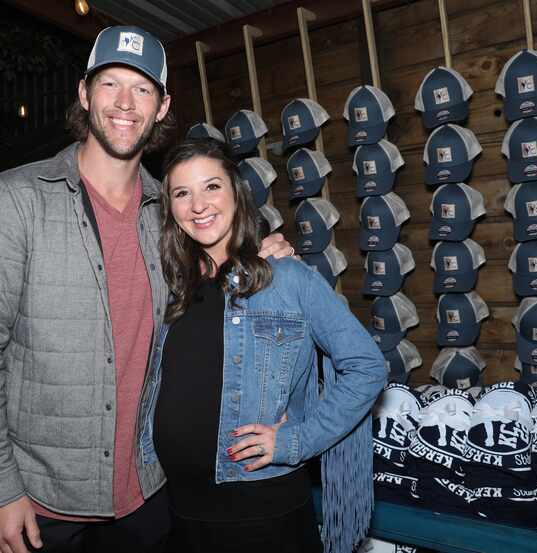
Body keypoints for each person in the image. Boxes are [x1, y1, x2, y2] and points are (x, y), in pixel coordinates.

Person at [0, 26, 290, 553]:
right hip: (40, 501)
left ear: (162, 106)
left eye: (142, 88)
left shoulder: (172, 216)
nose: (125, 103)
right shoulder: (14, 200)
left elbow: (220, 304)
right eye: (110, 84)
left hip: (148, 494)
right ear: (85, 94)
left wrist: (265, 261)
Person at [140, 138, 387, 553]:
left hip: (262, 516)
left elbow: (367, 366)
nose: (198, 205)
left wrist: (296, 440)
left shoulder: (289, 279)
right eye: (182, 193)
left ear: (236, 192)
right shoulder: (171, 286)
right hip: (178, 512)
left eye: (211, 187)